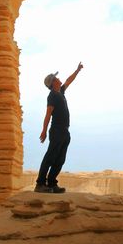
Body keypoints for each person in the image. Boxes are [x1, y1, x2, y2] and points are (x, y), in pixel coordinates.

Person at [35, 62, 83, 193]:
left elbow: (69, 80)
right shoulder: (52, 96)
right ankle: (40, 184)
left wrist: (77, 70)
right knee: (50, 156)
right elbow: (48, 114)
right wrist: (44, 131)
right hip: (56, 131)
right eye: (56, 78)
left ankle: (51, 183)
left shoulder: (60, 91)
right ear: (53, 82)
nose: (59, 79)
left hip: (65, 131)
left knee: (60, 159)